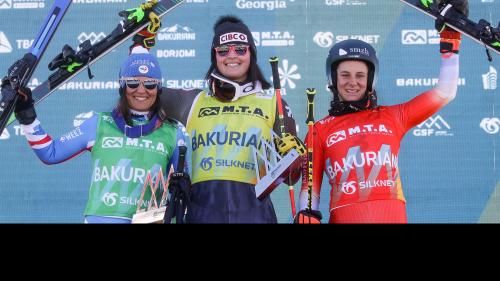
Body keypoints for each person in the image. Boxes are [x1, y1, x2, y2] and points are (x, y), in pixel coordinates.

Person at [7, 6, 189, 223]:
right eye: (132, 83)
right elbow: (50, 153)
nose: (141, 90)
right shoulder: (100, 124)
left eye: (150, 84)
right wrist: (28, 118)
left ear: (158, 89)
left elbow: (187, 194)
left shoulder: (172, 132)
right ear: (122, 86)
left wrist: (182, 192)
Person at [296, 1, 468, 223]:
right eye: (345, 75)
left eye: (360, 75)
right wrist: (306, 213)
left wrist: (450, 39)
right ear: (333, 79)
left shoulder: (393, 117)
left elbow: (445, 91)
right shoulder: (319, 129)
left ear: (370, 80)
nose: (352, 82)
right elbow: (310, 189)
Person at [158, 15, 305, 223]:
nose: (232, 56)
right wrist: (140, 47)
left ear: (251, 54)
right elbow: (143, 94)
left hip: (255, 216)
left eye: (241, 49)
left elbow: (291, 176)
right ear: (214, 56)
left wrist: (294, 161)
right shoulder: (194, 100)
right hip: (202, 214)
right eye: (223, 50)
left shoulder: (274, 101)